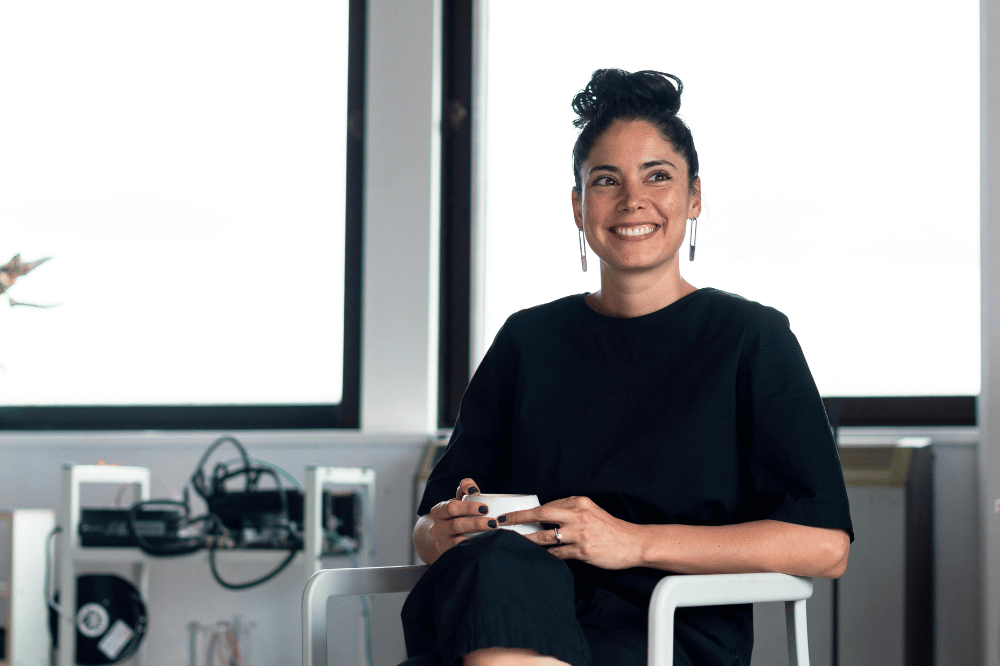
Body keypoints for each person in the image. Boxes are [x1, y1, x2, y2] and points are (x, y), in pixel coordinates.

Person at [402, 69, 853, 666]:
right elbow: (431, 527)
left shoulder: (751, 338)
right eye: (606, 180)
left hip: (662, 634)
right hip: (498, 614)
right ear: (578, 205)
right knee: (494, 561)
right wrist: (445, 531)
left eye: (657, 177)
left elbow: (823, 546)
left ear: (693, 197)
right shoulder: (527, 340)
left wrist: (629, 542)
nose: (631, 200)